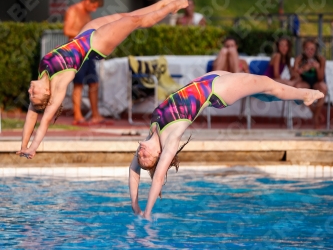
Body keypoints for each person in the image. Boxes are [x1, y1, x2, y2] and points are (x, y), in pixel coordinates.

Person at [129, 71, 324, 219]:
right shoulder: (170, 140)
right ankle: (304, 94)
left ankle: (296, 98)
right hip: (218, 90)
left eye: (139, 156)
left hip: (207, 80)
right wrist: (147, 212)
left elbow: (133, 169)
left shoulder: (152, 131)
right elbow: (158, 178)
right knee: (266, 84)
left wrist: (135, 205)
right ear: (159, 155)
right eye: (146, 157)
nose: (140, 153)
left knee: (264, 93)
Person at [17, 0, 188, 160]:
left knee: (127, 15)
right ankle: (169, 9)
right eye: (34, 94)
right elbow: (44, 120)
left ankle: (163, 3)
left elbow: (31, 116)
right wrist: (33, 148)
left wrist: (24, 145)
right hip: (96, 43)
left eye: (30, 93)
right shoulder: (59, 83)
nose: (29, 90)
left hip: (84, 33)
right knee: (135, 21)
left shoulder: (42, 74)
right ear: (47, 92)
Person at [64, 0, 105, 125]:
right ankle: (77, 115)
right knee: (78, 83)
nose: (94, 10)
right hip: (76, 52)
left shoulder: (88, 15)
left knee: (94, 82)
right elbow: (67, 30)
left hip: (88, 52)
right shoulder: (73, 10)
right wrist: (84, 35)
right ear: (88, 1)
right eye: (93, 6)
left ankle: (95, 115)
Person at [293, 38, 327, 128]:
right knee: (297, 87)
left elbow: (320, 78)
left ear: (315, 50)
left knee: (323, 88)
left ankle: (315, 116)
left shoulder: (321, 59)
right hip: (305, 83)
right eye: (307, 49)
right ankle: (315, 114)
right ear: (304, 49)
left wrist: (317, 68)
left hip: (317, 82)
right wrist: (304, 68)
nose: (310, 51)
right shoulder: (299, 59)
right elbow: (294, 77)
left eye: (312, 49)